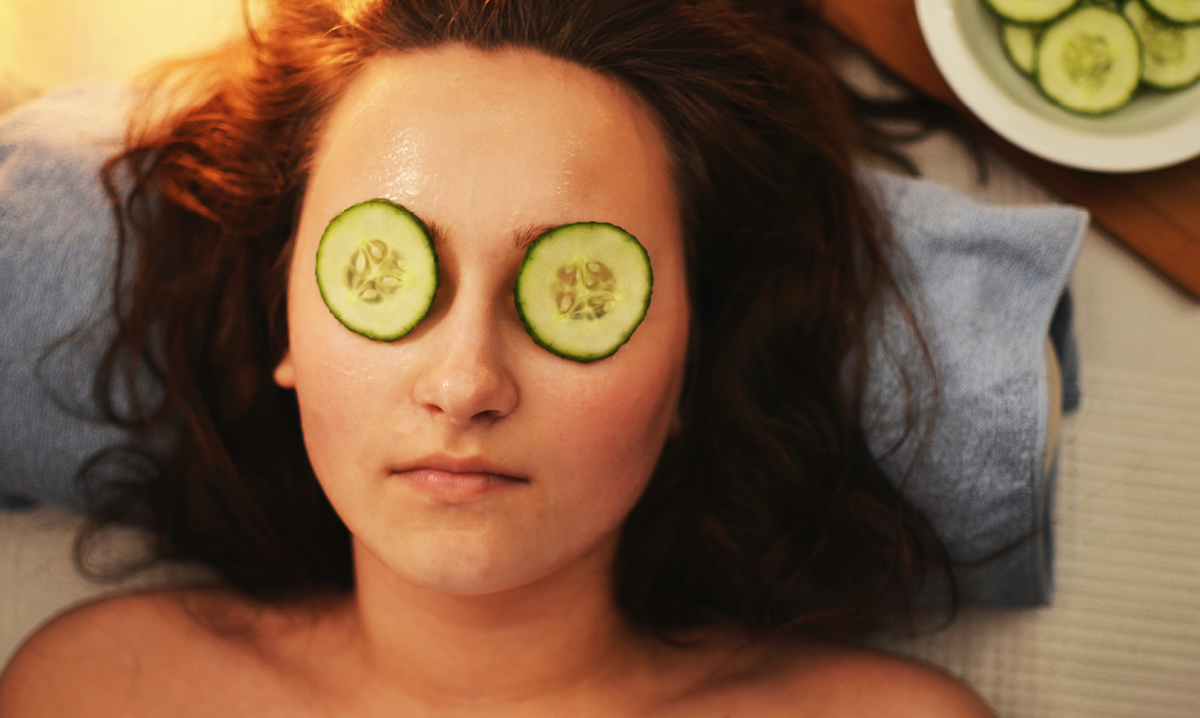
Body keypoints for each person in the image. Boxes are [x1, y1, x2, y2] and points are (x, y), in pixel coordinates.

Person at [0, 0, 997, 714]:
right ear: (285, 321)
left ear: (689, 357)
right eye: (385, 275)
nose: (467, 382)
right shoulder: (98, 692)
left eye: (577, 293)